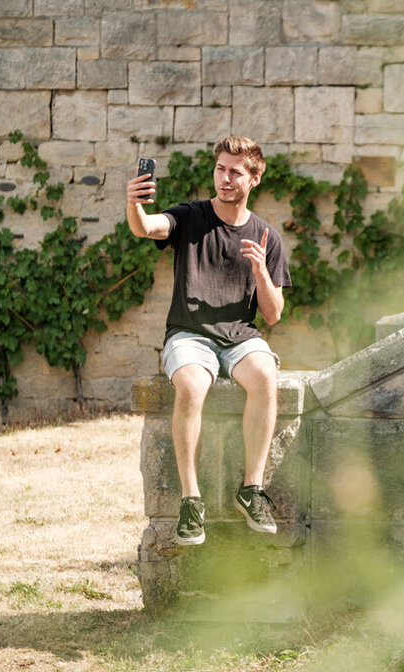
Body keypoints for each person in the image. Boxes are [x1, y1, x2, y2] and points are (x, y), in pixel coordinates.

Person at [125, 136, 292, 546]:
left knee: (265, 376)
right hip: (189, 334)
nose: (225, 178)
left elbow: (273, 314)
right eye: (220, 168)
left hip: (239, 336)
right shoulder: (191, 216)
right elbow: (147, 227)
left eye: (235, 171)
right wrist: (135, 203)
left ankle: (251, 490)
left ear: (254, 177)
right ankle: (191, 500)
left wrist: (260, 274)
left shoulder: (266, 236)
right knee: (192, 384)